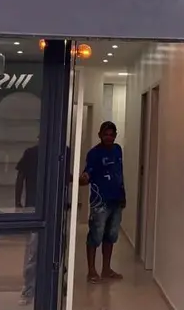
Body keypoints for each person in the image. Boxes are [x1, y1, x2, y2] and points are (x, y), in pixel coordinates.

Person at [80, 121, 126, 284]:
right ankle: (91, 270)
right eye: (105, 134)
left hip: (116, 200)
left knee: (111, 235)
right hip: (99, 202)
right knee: (95, 235)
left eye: (111, 135)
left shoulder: (117, 150)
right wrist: (82, 178)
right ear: (99, 135)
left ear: (115, 135)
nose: (108, 137)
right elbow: (87, 175)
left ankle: (106, 269)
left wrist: (123, 195)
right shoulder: (94, 153)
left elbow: (119, 173)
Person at [16, 141, 39, 305]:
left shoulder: (62, 152)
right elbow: (20, 177)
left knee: (57, 250)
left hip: (55, 208)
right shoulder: (31, 153)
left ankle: (57, 285)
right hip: (34, 207)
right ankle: (29, 290)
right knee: (33, 251)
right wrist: (18, 202)